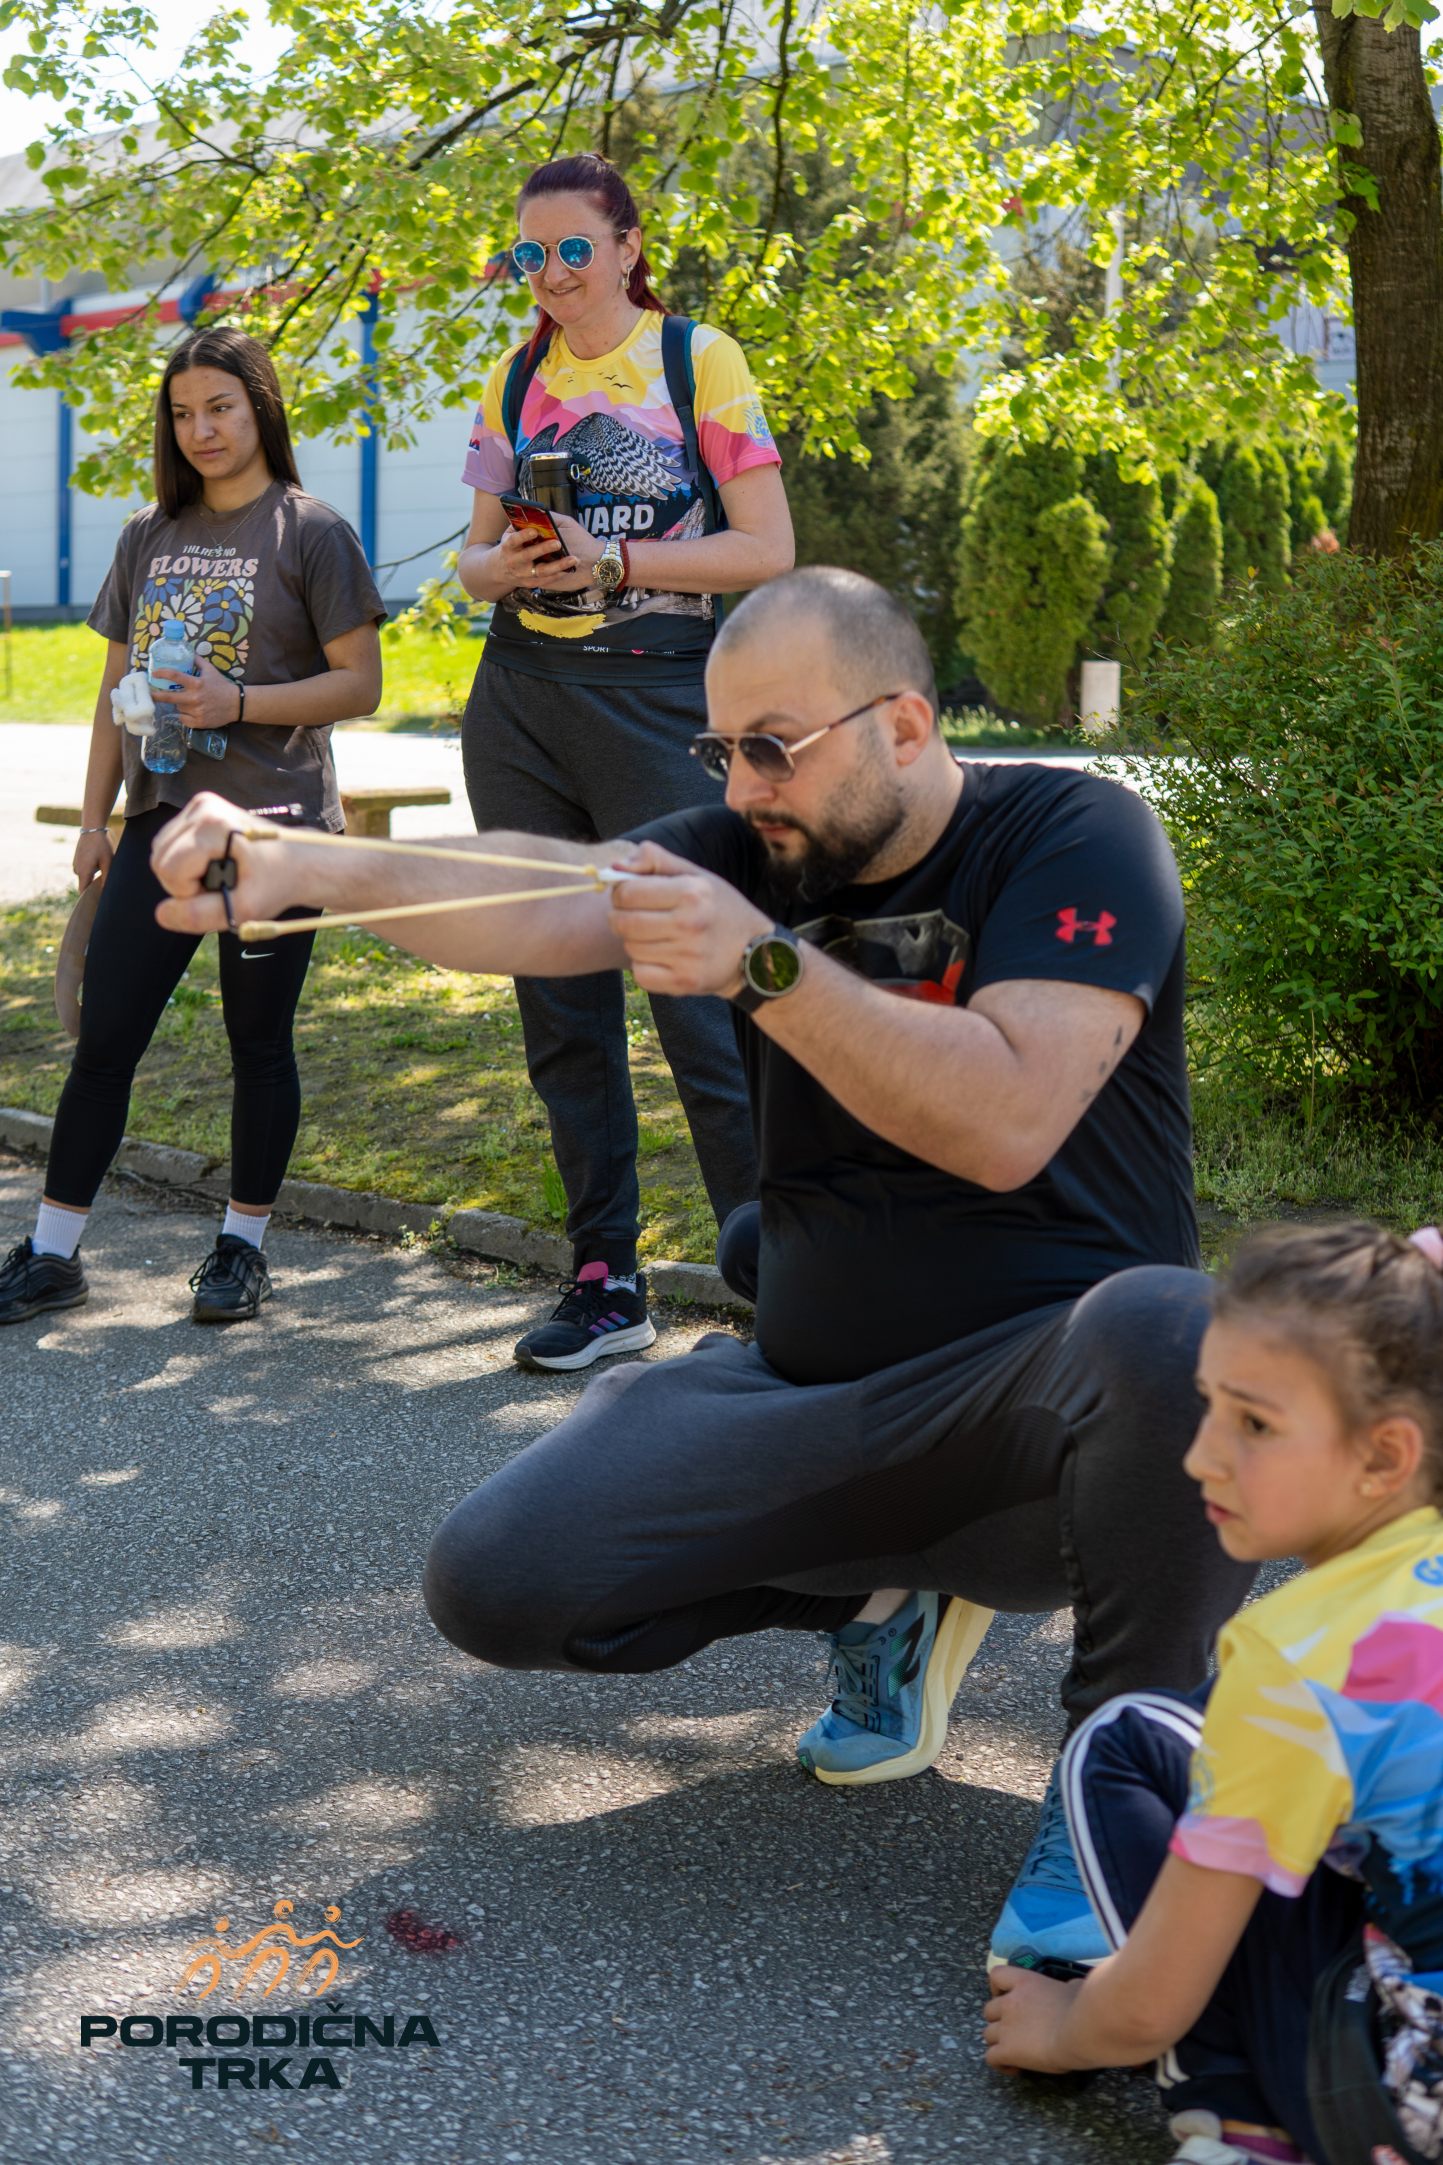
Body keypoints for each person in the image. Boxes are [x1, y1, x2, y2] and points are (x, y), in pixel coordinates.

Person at [147, 566, 1251, 1959]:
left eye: (774, 747)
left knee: (1175, 1331)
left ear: (903, 726)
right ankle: (885, 1604)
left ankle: (1121, 1790)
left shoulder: (1074, 833)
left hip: (1050, 1429)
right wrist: (305, 862)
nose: (740, 786)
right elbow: (543, 894)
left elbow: (1006, 1116)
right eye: (720, 747)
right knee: (499, 1579)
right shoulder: (752, 846)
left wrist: (761, 968)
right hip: (821, 1401)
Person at [983, 1221, 1443, 2165]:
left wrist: (1062, 2026)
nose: (1200, 1457)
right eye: (1209, 1407)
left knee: (1122, 1736)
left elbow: (1147, 2007)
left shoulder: (1295, 1662)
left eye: (1254, 1424)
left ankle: (1241, 2122)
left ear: (1385, 1457)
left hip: (1404, 2115)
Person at [456, 150, 793, 1372]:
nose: (549, 273)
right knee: (561, 1005)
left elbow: (765, 547)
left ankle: (783, 1290)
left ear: (628, 247)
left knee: (703, 999)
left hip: (659, 703)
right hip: (519, 703)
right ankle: (606, 1282)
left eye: (572, 249)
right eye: (528, 253)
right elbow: (473, 559)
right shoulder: (515, 375)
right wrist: (507, 566)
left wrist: (619, 562)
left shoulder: (698, 359)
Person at [0, 325, 384, 1329]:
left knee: (257, 1040)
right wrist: (96, 819)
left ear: (261, 408)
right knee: (106, 1037)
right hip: (161, 822)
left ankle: (241, 1250)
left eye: (220, 406)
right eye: (182, 413)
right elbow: (110, 689)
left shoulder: (311, 531)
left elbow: (361, 684)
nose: (201, 428)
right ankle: (52, 1255)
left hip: (276, 830)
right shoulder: (148, 534)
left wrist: (236, 701)